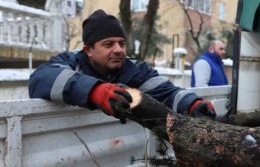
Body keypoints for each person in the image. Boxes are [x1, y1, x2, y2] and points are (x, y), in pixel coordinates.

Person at [28, 9, 215, 122]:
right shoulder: (69, 63)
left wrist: (192, 103)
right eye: (108, 44)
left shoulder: (134, 70)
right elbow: (40, 79)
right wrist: (95, 91)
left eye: (122, 43)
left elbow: (166, 92)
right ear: (88, 50)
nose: (119, 50)